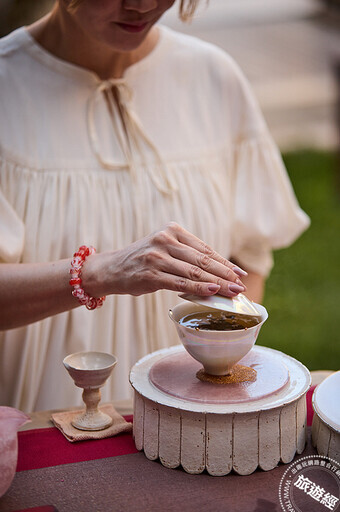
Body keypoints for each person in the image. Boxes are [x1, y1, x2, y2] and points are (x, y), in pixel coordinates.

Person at [0, 0, 310, 413]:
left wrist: (219, 363)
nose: (143, 5)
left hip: (191, 414)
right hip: (46, 420)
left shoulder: (213, 76)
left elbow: (246, 259)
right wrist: (96, 273)